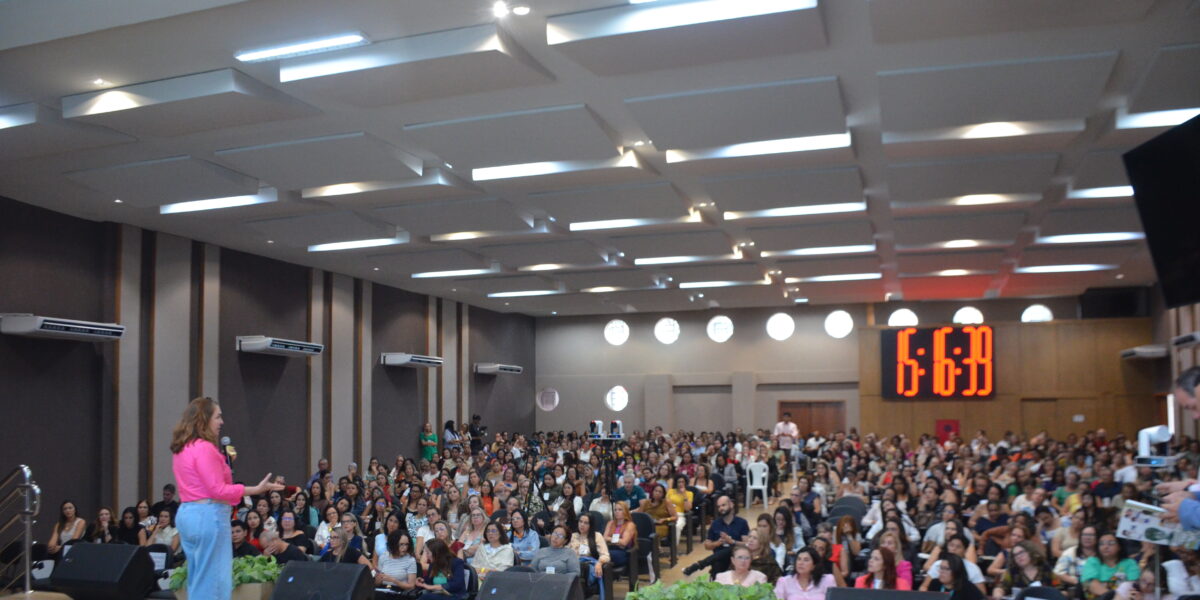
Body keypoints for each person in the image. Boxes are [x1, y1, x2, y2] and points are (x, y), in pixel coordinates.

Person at [170, 397, 282, 600]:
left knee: (198, 579)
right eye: (218, 417)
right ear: (204, 419)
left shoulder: (183, 448)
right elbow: (218, 490)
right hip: (208, 515)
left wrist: (223, 464)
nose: (221, 422)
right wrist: (255, 489)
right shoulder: (204, 448)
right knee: (215, 581)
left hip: (189, 514)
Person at [683, 494, 749, 577]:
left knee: (731, 549)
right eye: (719, 507)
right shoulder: (715, 524)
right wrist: (718, 543)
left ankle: (699, 565)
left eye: (723, 505)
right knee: (719, 562)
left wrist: (732, 541)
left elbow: (746, 544)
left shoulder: (742, 523)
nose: (721, 508)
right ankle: (703, 568)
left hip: (737, 558)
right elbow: (707, 546)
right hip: (718, 559)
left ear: (731, 504)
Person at [992, 540, 1059, 599]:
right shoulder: (1013, 571)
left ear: (1030, 551)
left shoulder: (1045, 568)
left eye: (1021, 552)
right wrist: (998, 593)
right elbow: (1001, 587)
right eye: (1015, 555)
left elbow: (1060, 589)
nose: (1019, 556)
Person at [1082, 532, 1140, 599]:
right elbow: (1091, 585)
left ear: (1119, 546)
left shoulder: (1130, 563)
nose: (1105, 547)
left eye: (1111, 543)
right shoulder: (1092, 561)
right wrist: (1113, 597)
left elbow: (1133, 585)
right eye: (1101, 544)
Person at [570, 513, 610, 598]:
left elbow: (606, 555)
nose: (582, 525)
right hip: (573, 566)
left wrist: (599, 563)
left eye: (586, 523)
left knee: (581, 568)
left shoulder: (597, 536)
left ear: (590, 525)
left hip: (588, 568)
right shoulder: (573, 536)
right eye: (580, 522)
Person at [375, 531, 419, 595]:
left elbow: (411, 586)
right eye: (401, 544)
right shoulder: (383, 557)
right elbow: (377, 583)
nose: (405, 547)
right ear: (393, 544)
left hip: (399, 592)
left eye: (406, 544)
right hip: (383, 590)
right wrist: (378, 579)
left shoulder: (410, 560)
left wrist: (394, 581)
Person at [603, 501, 637, 571]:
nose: (617, 512)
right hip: (609, 549)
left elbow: (624, 542)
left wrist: (609, 539)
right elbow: (604, 538)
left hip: (623, 552)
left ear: (625, 511)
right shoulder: (610, 523)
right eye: (615, 510)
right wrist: (617, 541)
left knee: (604, 555)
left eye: (620, 510)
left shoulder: (630, 525)